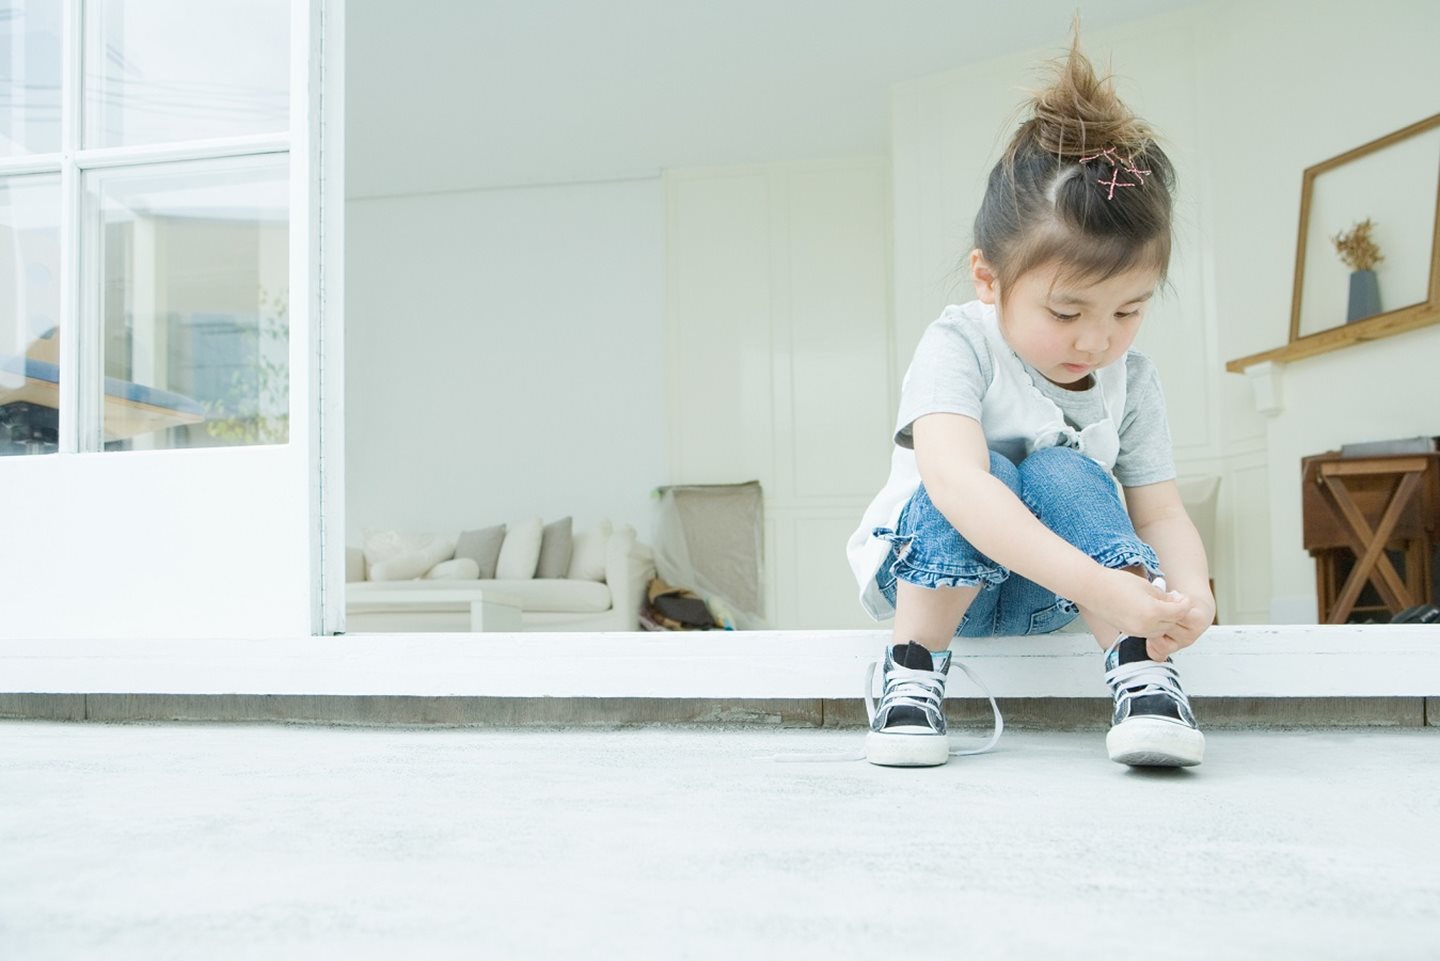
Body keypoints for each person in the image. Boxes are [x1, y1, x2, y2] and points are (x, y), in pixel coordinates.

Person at [846, 34, 1215, 770]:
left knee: (1067, 475)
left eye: (1128, 310)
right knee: (995, 475)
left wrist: (1192, 596)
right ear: (989, 279)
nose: (1098, 341)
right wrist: (1105, 587)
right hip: (933, 576)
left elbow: (1162, 511)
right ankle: (913, 673)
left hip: (1049, 596)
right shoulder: (958, 344)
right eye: (1068, 312)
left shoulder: (1131, 379)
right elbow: (955, 484)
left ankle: (1142, 670)